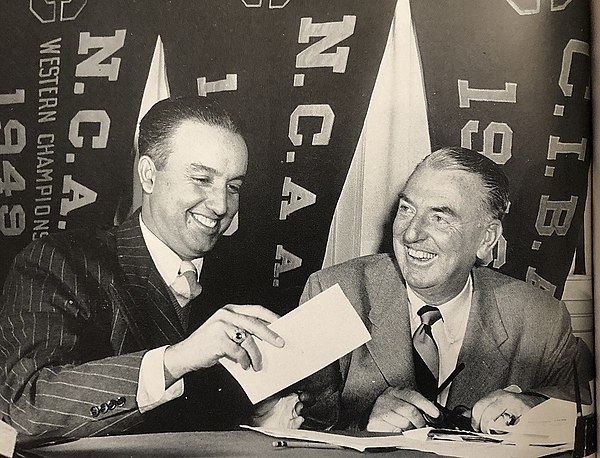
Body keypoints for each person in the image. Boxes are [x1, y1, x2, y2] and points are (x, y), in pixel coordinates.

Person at [0, 97, 303, 439]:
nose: (222, 205)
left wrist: (264, 414)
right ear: (148, 175)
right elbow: (23, 411)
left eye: (233, 186)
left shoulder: (244, 273)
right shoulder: (59, 262)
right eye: (202, 179)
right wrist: (175, 360)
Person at [299, 146, 593, 434]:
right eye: (406, 209)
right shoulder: (335, 294)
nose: (411, 234)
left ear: (486, 239)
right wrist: (361, 424)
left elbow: (585, 400)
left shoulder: (538, 316)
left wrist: (537, 406)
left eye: (439, 218)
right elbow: (292, 423)